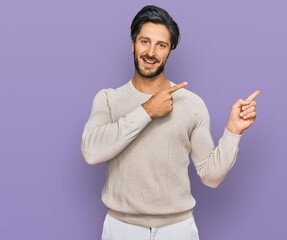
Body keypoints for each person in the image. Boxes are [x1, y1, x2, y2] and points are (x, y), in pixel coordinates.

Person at [81, 5, 260, 240]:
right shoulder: (108, 99)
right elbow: (91, 152)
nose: (151, 52)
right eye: (144, 41)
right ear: (132, 44)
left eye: (161, 45)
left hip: (177, 230)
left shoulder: (191, 104)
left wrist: (233, 131)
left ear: (169, 52)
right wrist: (147, 111)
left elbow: (210, 177)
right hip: (122, 228)